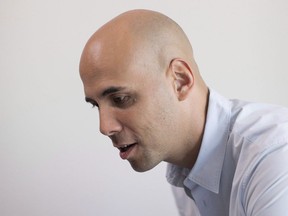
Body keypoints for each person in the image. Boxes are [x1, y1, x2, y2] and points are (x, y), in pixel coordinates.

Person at [79, 9, 288, 216]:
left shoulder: (274, 156)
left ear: (180, 81)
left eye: (120, 99)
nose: (105, 127)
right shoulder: (182, 169)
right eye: (96, 105)